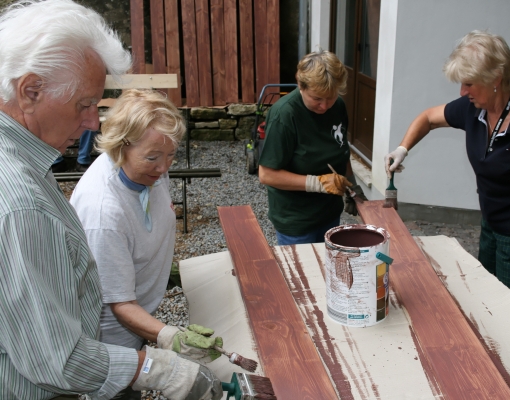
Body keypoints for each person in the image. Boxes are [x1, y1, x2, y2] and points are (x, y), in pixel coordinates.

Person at [0, 1, 222, 399]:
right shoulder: (24, 205)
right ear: (30, 91)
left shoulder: (29, 161)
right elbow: (59, 361)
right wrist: (158, 369)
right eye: (84, 104)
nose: (91, 122)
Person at [385, 31, 510, 290]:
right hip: (491, 220)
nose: (462, 91)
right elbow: (428, 118)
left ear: (495, 79)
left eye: (469, 83)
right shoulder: (473, 108)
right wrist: (403, 148)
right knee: (487, 291)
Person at [70, 90, 222, 395]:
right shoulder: (103, 212)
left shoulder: (149, 167)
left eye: (171, 155)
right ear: (121, 146)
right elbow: (120, 304)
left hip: (137, 310)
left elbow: (145, 229)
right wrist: (170, 336)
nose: (164, 168)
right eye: (153, 157)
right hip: (112, 335)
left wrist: (167, 271)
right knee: (121, 392)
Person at [258, 50, 367, 245]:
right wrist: (319, 183)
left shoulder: (338, 106)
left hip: (329, 214)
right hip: (296, 221)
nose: (324, 106)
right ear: (300, 85)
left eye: (330, 97)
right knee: (302, 265)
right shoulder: (284, 115)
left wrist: (352, 187)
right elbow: (267, 175)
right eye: (317, 98)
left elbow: (341, 152)